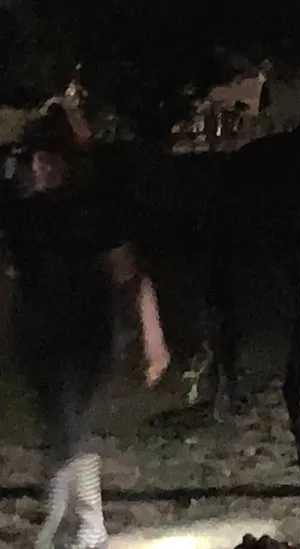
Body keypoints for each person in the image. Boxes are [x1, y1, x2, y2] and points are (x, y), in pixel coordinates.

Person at [0, 99, 170, 549]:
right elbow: (13, 275)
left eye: (47, 157)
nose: (37, 166)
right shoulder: (22, 212)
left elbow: (130, 273)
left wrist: (152, 338)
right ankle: (72, 525)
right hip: (37, 330)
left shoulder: (93, 211)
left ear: (67, 163)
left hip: (86, 331)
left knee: (69, 425)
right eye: (32, 157)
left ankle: (82, 528)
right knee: (60, 428)